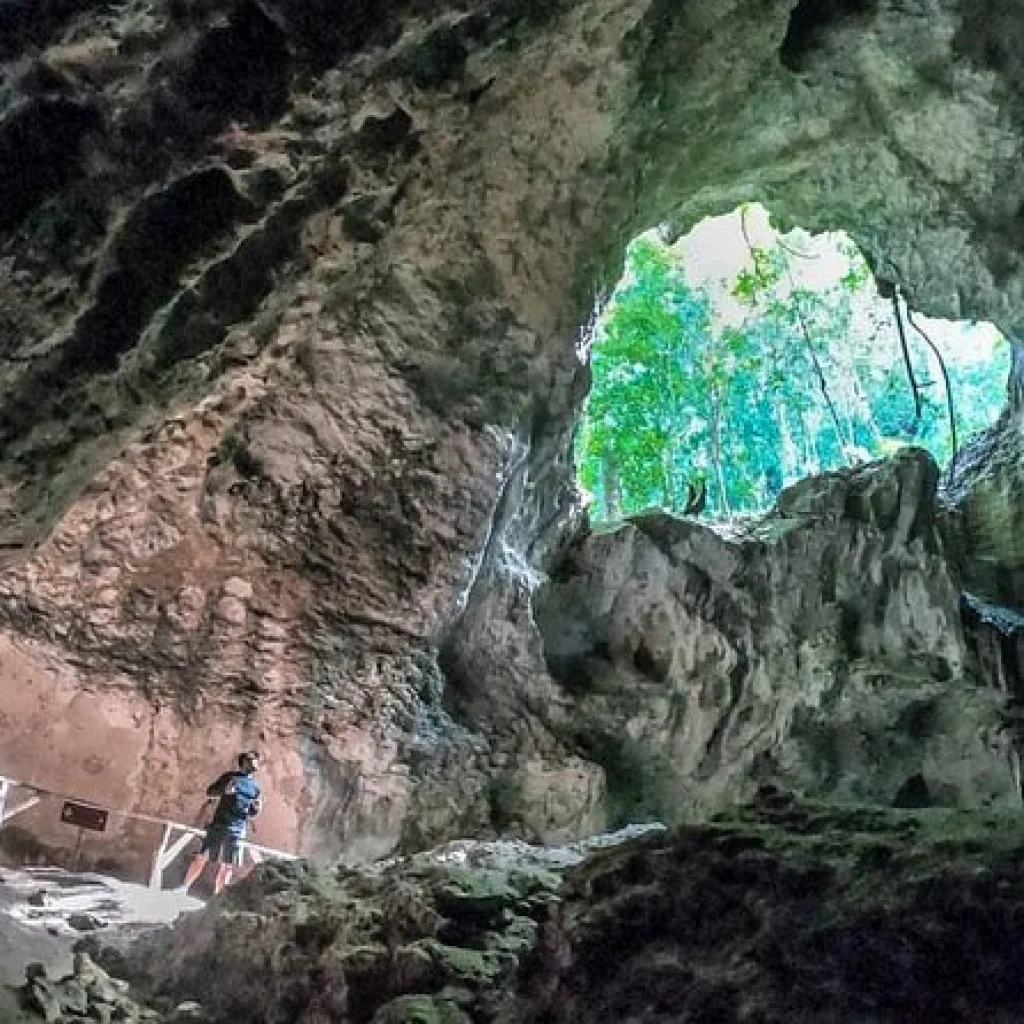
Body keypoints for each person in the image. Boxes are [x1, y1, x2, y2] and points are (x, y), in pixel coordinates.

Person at [181, 751, 262, 896]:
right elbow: (210, 792)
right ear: (243, 763)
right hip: (219, 824)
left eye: (256, 760)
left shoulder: (255, 787)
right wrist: (225, 790)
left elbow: (251, 811)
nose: (255, 762)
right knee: (202, 857)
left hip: (238, 830)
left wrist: (256, 810)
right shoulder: (230, 777)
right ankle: (183, 889)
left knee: (227, 866)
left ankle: (218, 898)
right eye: (251, 759)